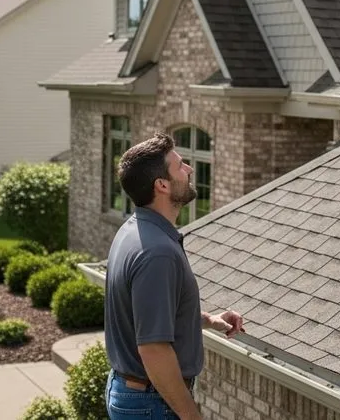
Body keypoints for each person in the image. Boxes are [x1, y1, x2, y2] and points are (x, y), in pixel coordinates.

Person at [104, 132, 245, 420]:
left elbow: (149, 314)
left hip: (136, 394)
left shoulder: (135, 230)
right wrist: (191, 416)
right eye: (180, 165)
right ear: (162, 185)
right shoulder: (157, 253)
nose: (190, 170)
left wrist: (209, 320)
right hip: (152, 403)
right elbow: (154, 349)